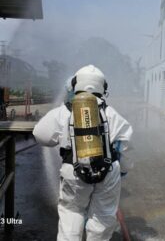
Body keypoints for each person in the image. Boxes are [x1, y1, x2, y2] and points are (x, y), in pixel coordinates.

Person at [33, 65, 133, 241]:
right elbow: (126, 145)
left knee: (72, 212)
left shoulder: (64, 111)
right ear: (103, 88)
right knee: (103, 217)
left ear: (75, 84)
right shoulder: (112, 114)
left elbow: (40, 134)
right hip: (108, 173)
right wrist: (123, 168)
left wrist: (61, 138)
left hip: (73, 172)